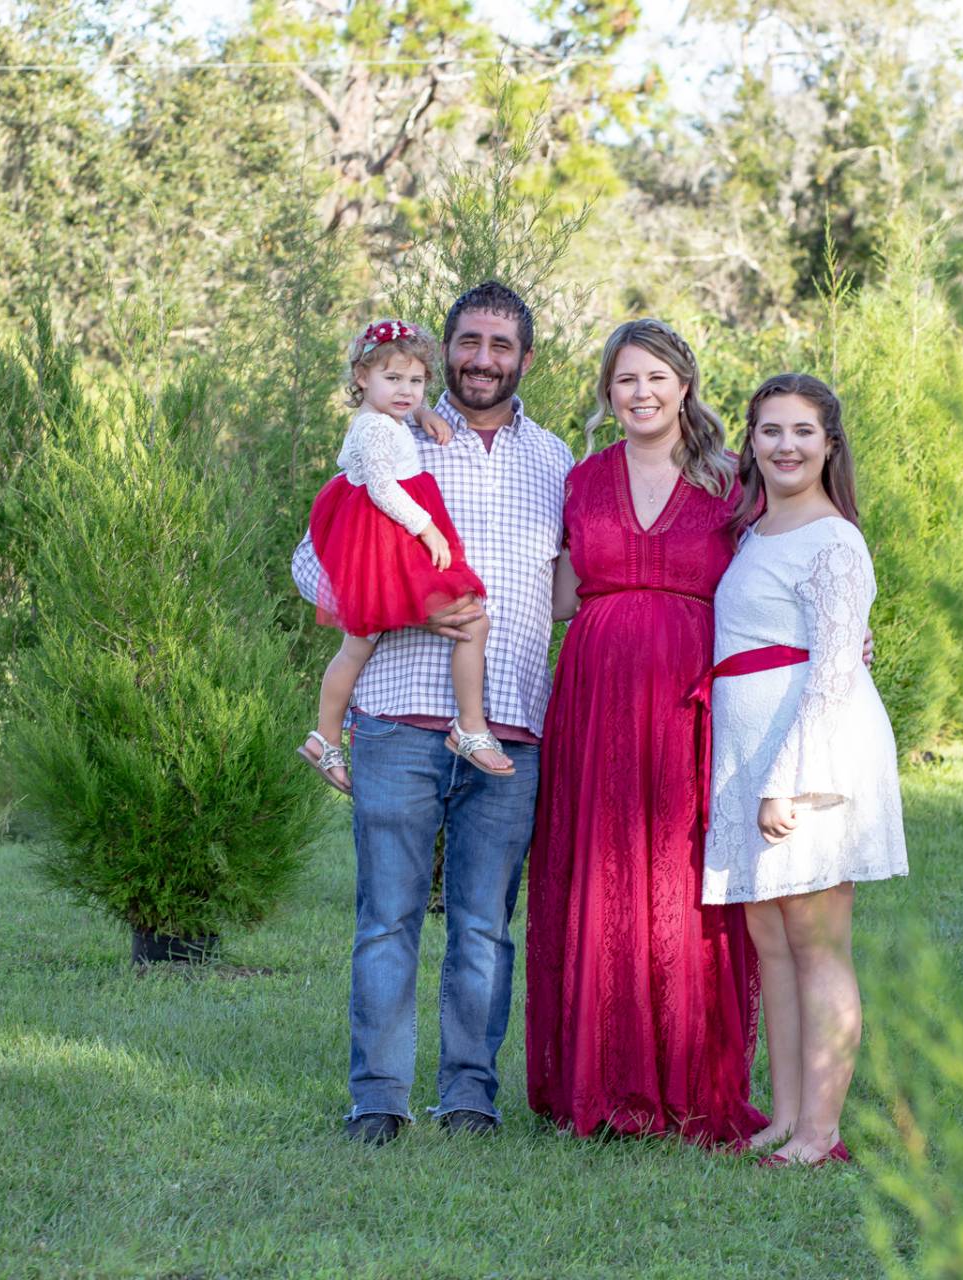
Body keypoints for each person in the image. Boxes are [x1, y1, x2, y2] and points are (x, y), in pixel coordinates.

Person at [291, 282, 573, 1144]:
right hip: (398, 716)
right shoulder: (391, 433)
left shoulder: (557, 460)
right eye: (469, 341)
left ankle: (469, 1101)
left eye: (502, 345)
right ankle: (377, 1101)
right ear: (443, 349)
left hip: (512, 723)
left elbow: (573, 587)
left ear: (526, 358)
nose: (483, 359)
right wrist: (409, 605)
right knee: (388, 919)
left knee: (487, 926)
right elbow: (313, 565)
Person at [526, 318, 770, 1147]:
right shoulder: (580, 480)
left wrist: (840, 633)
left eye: (657, 377)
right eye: (626, 379)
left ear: (685, 386)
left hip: (691, 699)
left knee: (681, 873)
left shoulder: (731, 479)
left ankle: (692, 1082)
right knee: (600, 870)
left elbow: (784, 567)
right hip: (595, 696)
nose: (641, 393)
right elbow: (556, 595)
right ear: (607, 390)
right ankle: (603, 1074)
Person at [699, 372, 908, 1167]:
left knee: (818, 944)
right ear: (750, 440)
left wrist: (785, 779)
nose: (786, 446)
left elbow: (831, 672)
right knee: (773, 941)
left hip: (810, 754)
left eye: (803, 432)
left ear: (830, 445)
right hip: (749, 750)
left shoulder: (834, 540)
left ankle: (823, 1130)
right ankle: (786, 1117)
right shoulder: (756, 533)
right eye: (770, 431)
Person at [298, 319, 512, 795]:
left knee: (358, 645)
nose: (406, 390)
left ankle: (325, 737)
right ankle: (470, 725)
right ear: (361, 377)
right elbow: (380, 485)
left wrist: (421, 416)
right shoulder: (375, 429)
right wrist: (427, 527)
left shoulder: (388, 419)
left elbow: (393, 420)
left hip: (376, 537)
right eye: (393, 379)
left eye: (416, 381)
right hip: (383, 535)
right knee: (473, 620)